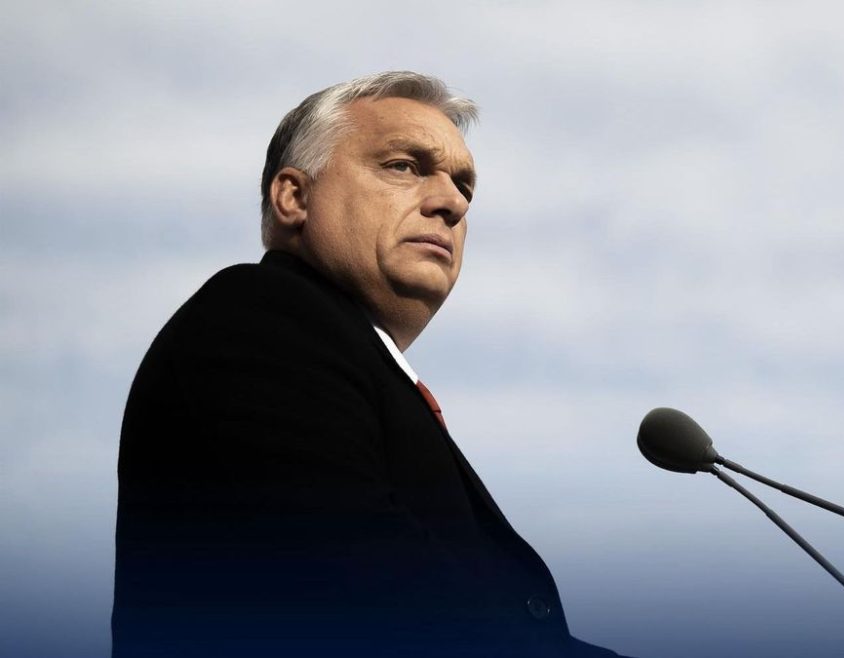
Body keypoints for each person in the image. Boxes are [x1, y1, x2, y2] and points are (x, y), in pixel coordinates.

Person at [113, 71, 625, 658]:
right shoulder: (258, 318)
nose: (453, 203)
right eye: (404, 166)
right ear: (294, 197)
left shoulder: (345, 358)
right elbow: (373, 590)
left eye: (464, 186)